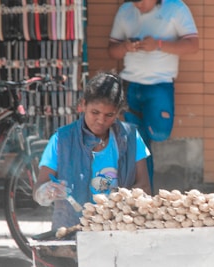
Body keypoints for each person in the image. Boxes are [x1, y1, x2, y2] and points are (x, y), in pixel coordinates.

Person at [32, 71, 152, 266]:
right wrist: (47, 191)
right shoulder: (61, 140)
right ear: (83, 105)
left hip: (119, 234)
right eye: (94, 112)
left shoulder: (130, 138)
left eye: (109, 115)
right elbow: (38, 191)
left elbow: (145, 187)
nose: (101, 120)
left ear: (118, 112)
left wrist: (118, 202)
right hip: (71, 236)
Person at [107, 0, 199, 190]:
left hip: (160, 85)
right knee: (136, 146)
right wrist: (126, 46)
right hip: (129, 85)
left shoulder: (176, 8)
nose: (137, 5)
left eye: (140, 1)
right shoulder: (126, 10)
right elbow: (112, 50)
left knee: (159, 133)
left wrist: (158, 44)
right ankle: (144, 195)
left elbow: (192, 45)